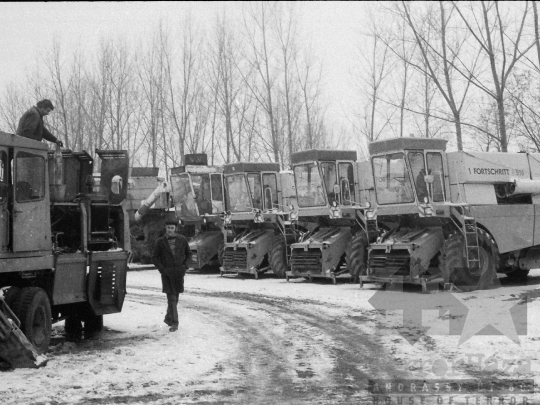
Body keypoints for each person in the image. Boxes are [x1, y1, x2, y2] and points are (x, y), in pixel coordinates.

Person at [152, 219, 191, 332]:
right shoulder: (160, 242)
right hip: (167, 274)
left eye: (172, 228)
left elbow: (189, 253)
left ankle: (168, 318)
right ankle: (174, 323)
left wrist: (185, 267)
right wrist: (162, 269)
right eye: (168, 228)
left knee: (176, 297)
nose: (170, 230)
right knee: (172, 298)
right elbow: (154, 257)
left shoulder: (182, 240)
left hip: (179, 273)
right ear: (166, 228)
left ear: (175, 228)